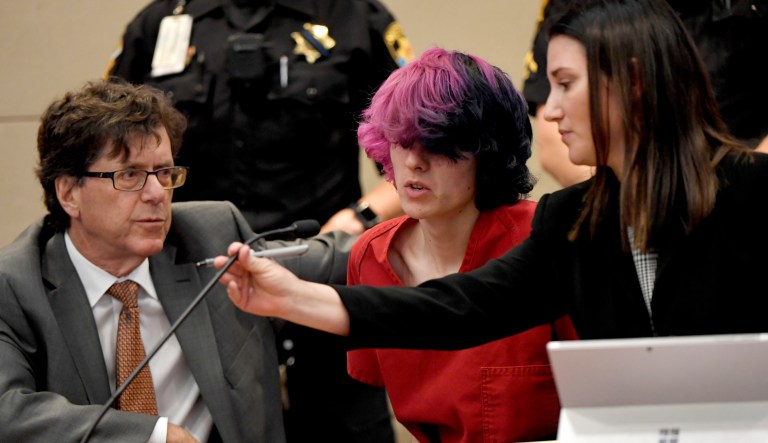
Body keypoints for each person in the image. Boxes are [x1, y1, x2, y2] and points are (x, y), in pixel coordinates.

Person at [212, 0, 768, 401]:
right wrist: (289, 297)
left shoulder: (757, 191)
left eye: (565, 84)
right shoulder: (573, 220)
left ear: (635, 83)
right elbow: (455, 308)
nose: (548, 111)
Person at [105, 2, 413, 440]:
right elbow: (106, 140)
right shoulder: (160, 23)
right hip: (201, 290)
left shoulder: (354, 17)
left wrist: (360, 217)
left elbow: (421, 151)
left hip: (321, 278)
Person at [0, 78, 356, 443]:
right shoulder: (15, 284)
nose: (157, 194)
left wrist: (414, 233)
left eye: (165, 173)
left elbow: (338, 262)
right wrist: (154, 436)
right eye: (130, 175)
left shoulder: (211, 237)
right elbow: (8, 411)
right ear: (68, 193)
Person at [344, 47, 578, 443]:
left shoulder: (545, 238)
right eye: (402, 140)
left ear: (486, 153)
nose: (415, 162)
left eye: (436, 143)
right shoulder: (369, 257)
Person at [523, 0, 768, 187]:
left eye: (567, 84)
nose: (554, 112)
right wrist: (634, 202)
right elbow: (555, 145)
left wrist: (735, 198)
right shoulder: (550, 218)